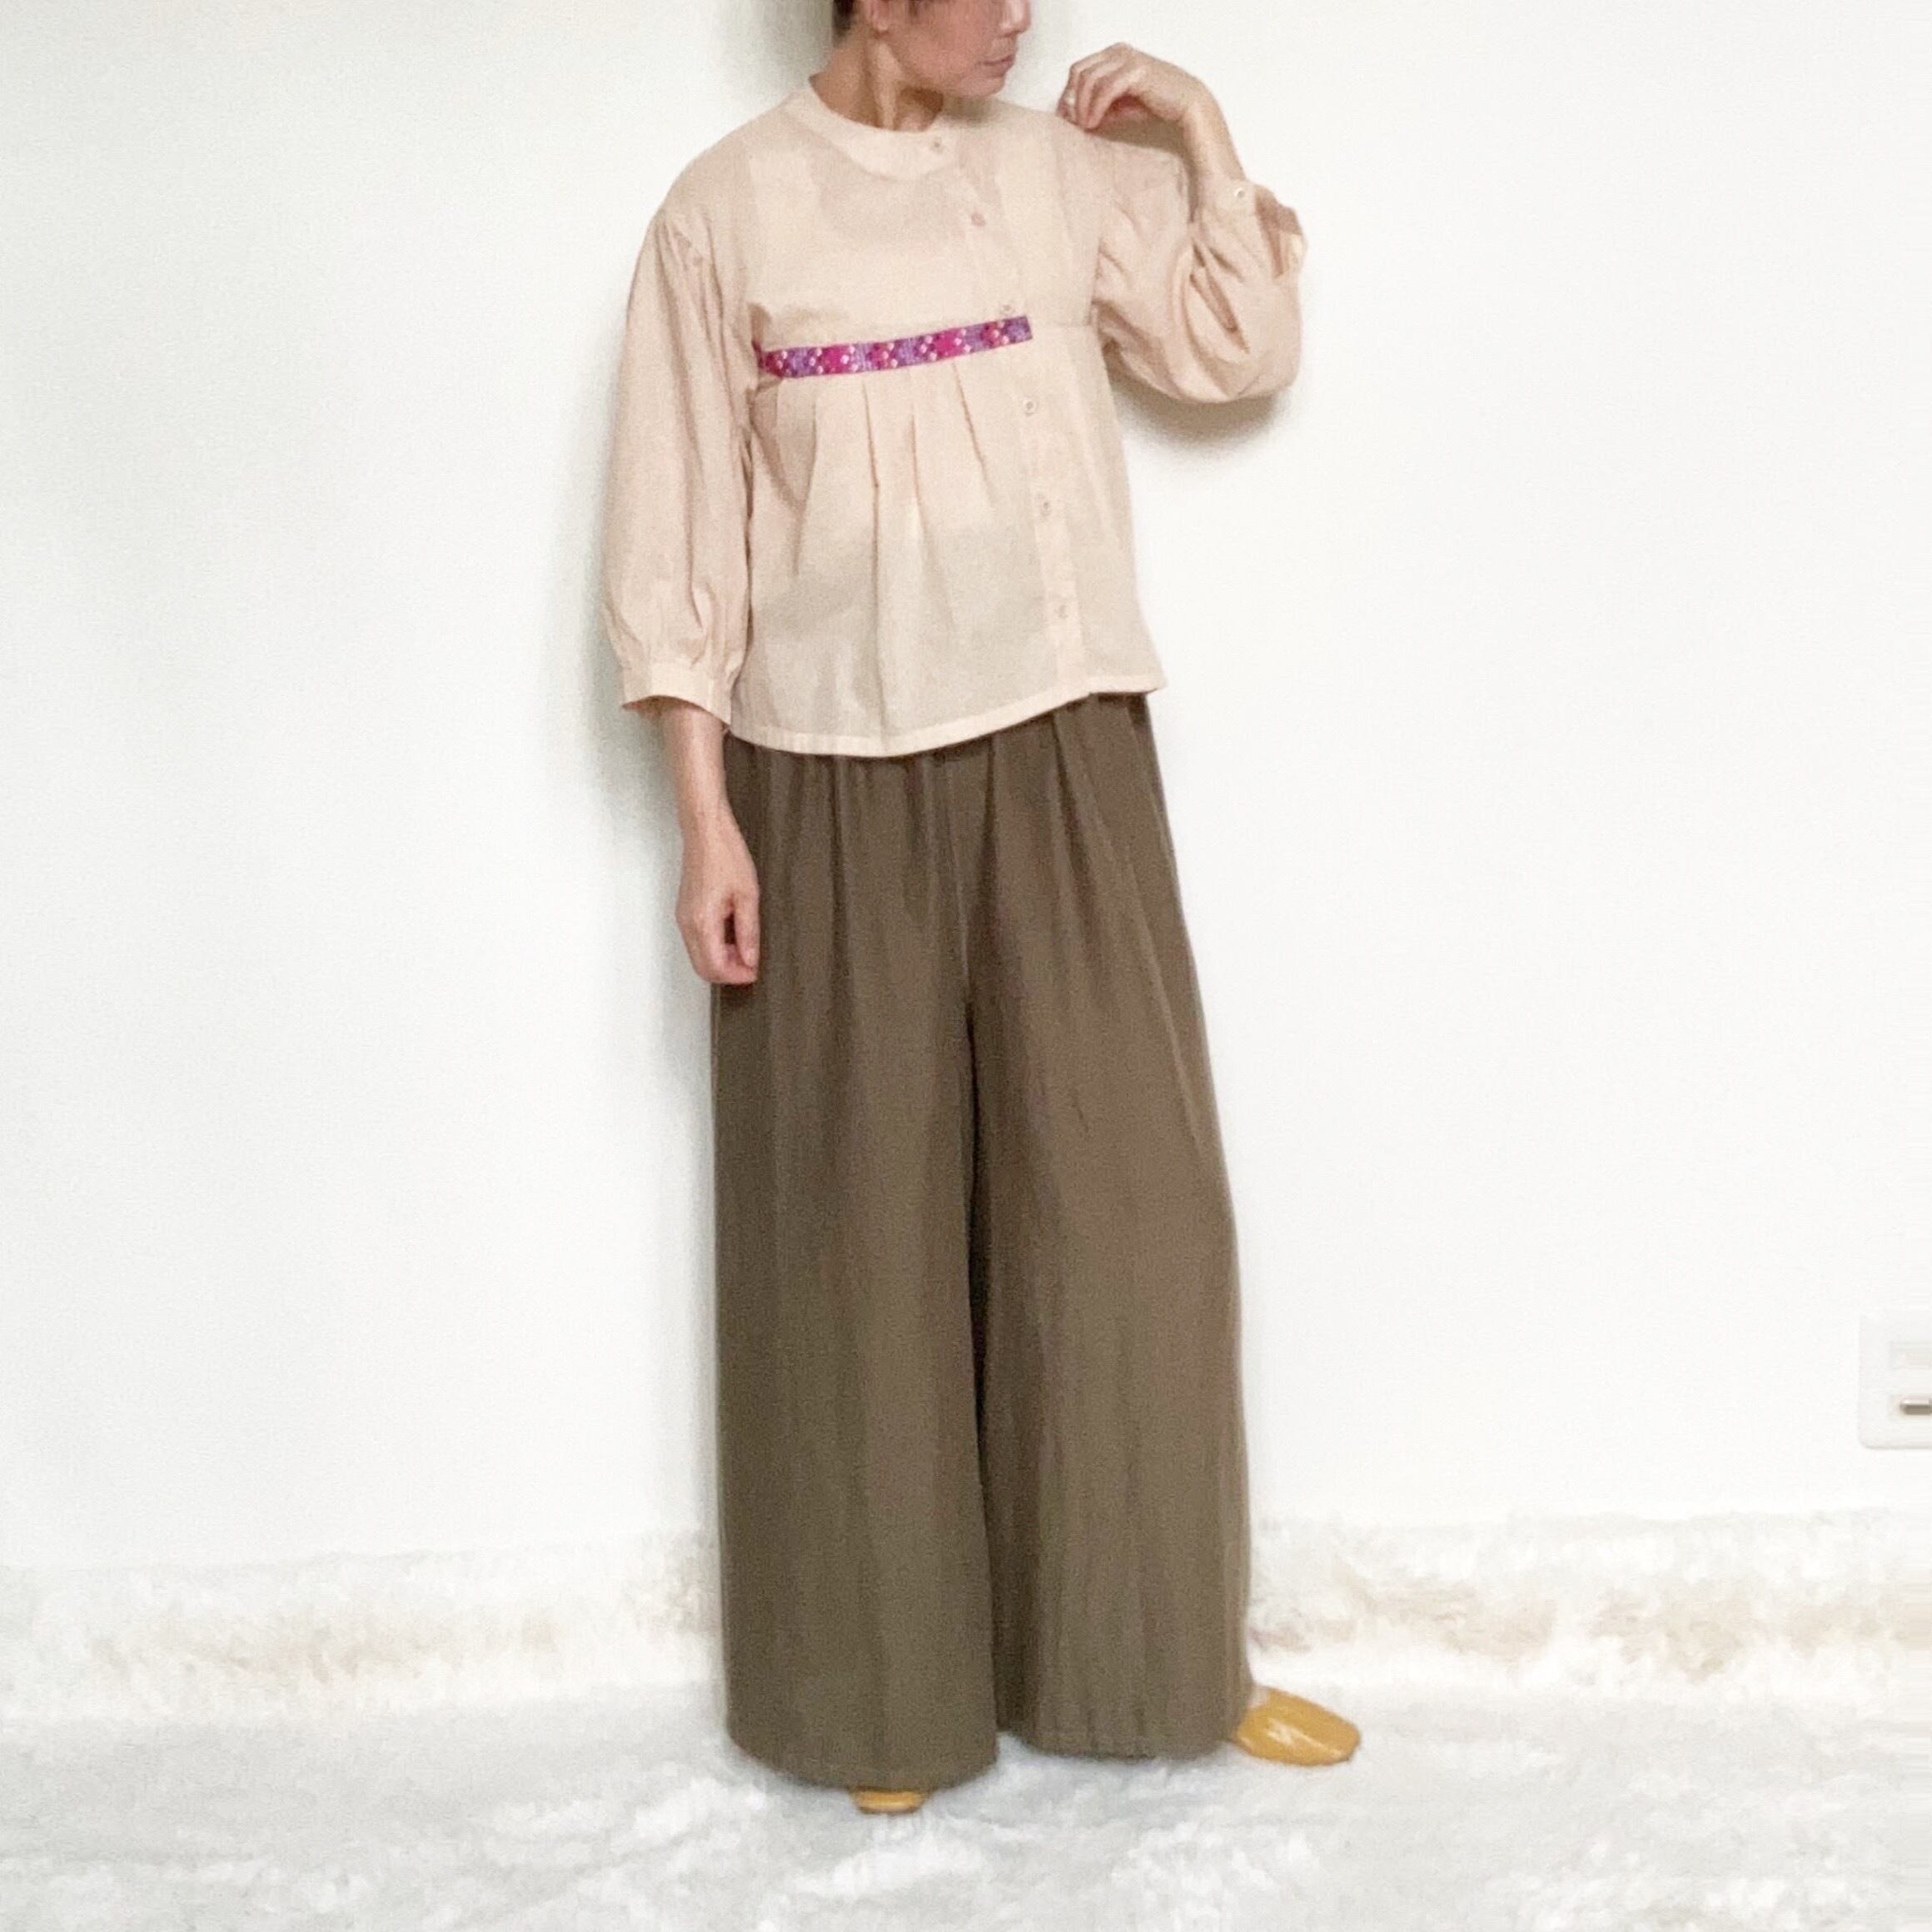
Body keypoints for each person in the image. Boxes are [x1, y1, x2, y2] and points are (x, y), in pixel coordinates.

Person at [599, 0, 1360, 1813]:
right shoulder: (722, 213)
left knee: (1129, 1219)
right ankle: (880, 1700)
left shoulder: (1051, 177)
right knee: (853, 1247)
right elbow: (675, 545)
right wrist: (704, 825)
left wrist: (1200, 128)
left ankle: (1158, 1658)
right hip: (826, 770)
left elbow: (1237, 347)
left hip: (1066, 748)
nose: (1024, 14)